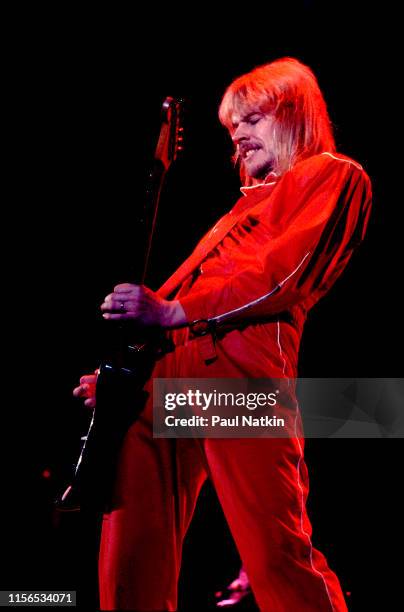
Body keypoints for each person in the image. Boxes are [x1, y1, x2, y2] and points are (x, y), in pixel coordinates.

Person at [73, 57, 372, 611]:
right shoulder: (239, 208)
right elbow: (173, 295)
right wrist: (124, 368)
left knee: (275, 552)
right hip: (163, 375)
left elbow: (282, 276)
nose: (239, 134)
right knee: (130, 553)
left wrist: (171, 312)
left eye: (253, 119)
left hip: (234, 376)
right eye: (234, 127)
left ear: (294, 115)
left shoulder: (333, 173)